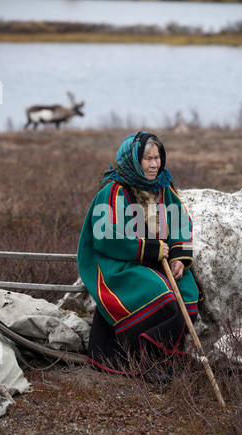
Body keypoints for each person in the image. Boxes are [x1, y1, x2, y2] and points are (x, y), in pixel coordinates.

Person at [77, 131, 199, 382]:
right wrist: (150, 249)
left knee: (187, 292)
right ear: (132, 158)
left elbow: (180, 225)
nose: (155, 164)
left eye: (158, 157)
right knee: (161, 296)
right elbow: (104, 238)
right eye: (147, 158)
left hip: (155, 262)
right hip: (119, 266)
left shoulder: (164, 189)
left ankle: (168, 356)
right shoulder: (112, 191)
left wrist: (178, 257)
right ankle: (141, 361)